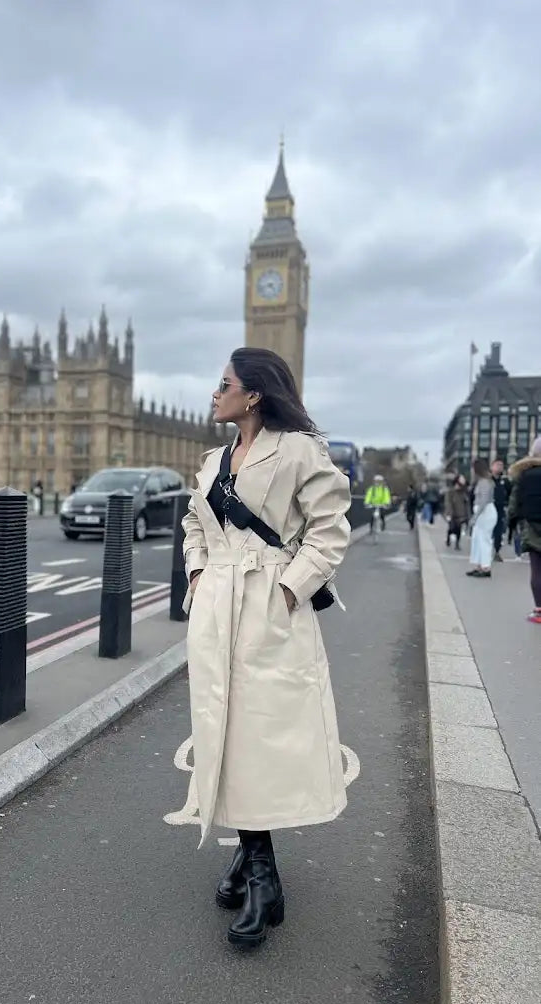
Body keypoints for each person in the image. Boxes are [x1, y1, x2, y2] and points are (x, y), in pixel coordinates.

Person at [181, 347, 351, 950]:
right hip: (215, 611)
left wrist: (288, 588)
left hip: (268, 608)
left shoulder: (300, 450)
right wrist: (198, 575)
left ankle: (262, 877)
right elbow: (194, 525)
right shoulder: (213, 461)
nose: (214, 392)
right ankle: (253, 866)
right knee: (221, 730)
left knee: (259, 736)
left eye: (223, 383)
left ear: (252, 395)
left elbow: (331, 528)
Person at [507, 436, 541, 623]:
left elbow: (514, 502)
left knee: (537, 571)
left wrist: (512, 522)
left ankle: (539, 610)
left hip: (532, 527)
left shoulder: (524, 475)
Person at [467, 458, 497, 578]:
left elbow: (483, 501)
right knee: (478, 539)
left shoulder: (484, 482)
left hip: (485, 513)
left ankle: (485, 567)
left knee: (483, 539)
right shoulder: (485, 481)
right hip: (484, 512)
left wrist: (475, 516)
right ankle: (480, 565)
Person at [491, 459, 512, 563]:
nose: (500, 467)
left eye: (501, 465)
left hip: (500, 509)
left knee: (499, 531)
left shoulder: (505, 481)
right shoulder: (488, 480)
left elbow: (510, 493)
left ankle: (497, 551)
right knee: (488, 531)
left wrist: (506, 504)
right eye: (497, 465)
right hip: (489, 508)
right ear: (492, 466)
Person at [445, 475, 470, 550]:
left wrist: (467, 514)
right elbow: (448, 502)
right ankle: (448, 537)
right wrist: (448, 513)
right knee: (452, 528)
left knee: (459, 528)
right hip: (453, 512)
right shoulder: (451, 491)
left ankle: (457, 544)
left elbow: (466, 503)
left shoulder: (464, 491)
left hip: (461, 513)